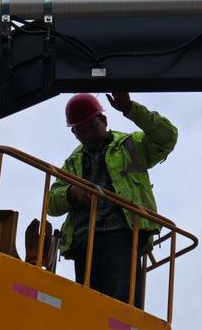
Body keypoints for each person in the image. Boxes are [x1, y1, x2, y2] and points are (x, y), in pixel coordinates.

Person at [47, 92, 177, 306]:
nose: (89, 135)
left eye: (92, 127)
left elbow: (167, 137)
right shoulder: (73, 162)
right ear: (74, 133)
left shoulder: (130, 145)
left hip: (122, 234)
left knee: (120, 304)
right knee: (88, 307)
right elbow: (50, 203)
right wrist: (71, 192)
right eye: (82, 131)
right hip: (84, 240)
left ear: (104, 120)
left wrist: (130, 109)